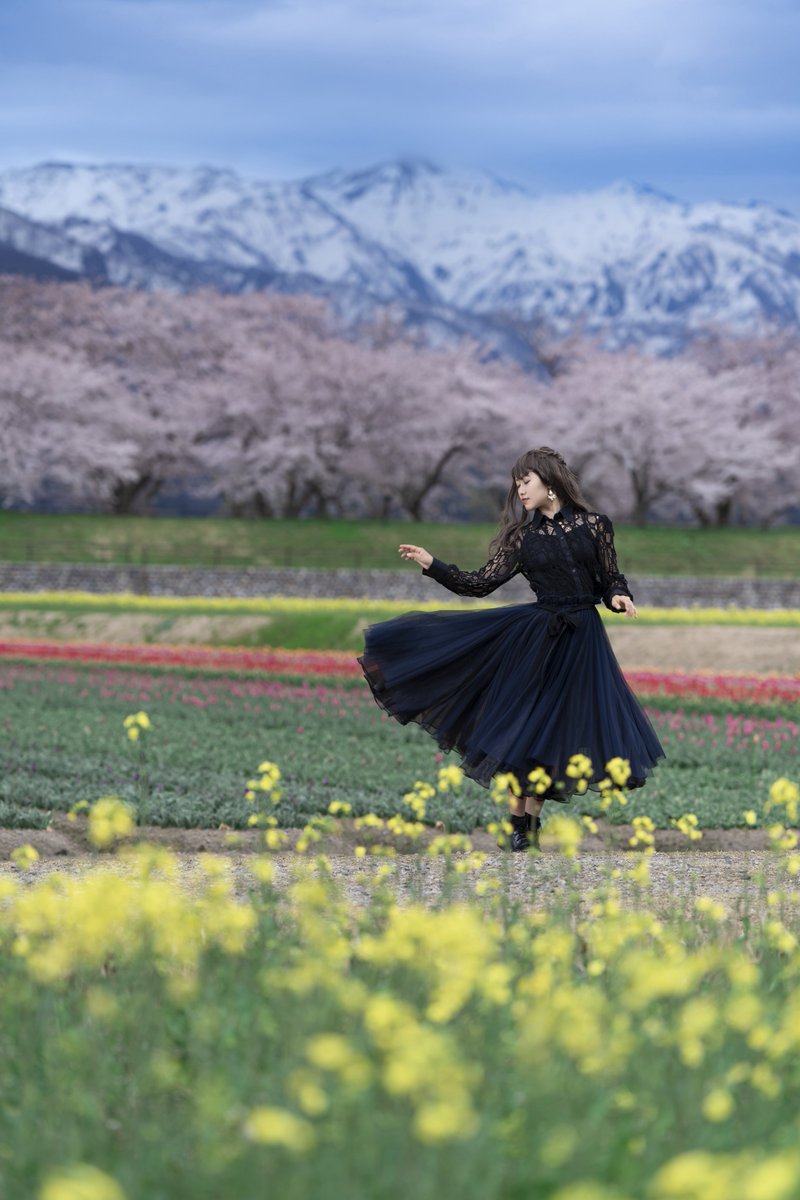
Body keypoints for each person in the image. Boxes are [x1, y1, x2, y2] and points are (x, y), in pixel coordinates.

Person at [357, 447, 666, 851]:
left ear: (549, 481)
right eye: (516, 484)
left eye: (526, 481)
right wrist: (433, 564)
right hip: (538, 640)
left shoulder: (596, 526)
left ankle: (529, 828)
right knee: (526, 727)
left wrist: (619, 597)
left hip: (583, 642)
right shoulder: (523, 539)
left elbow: (610, 578)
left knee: (558, 732)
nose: (519, 490)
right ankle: (516, 827)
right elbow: (478, 584)